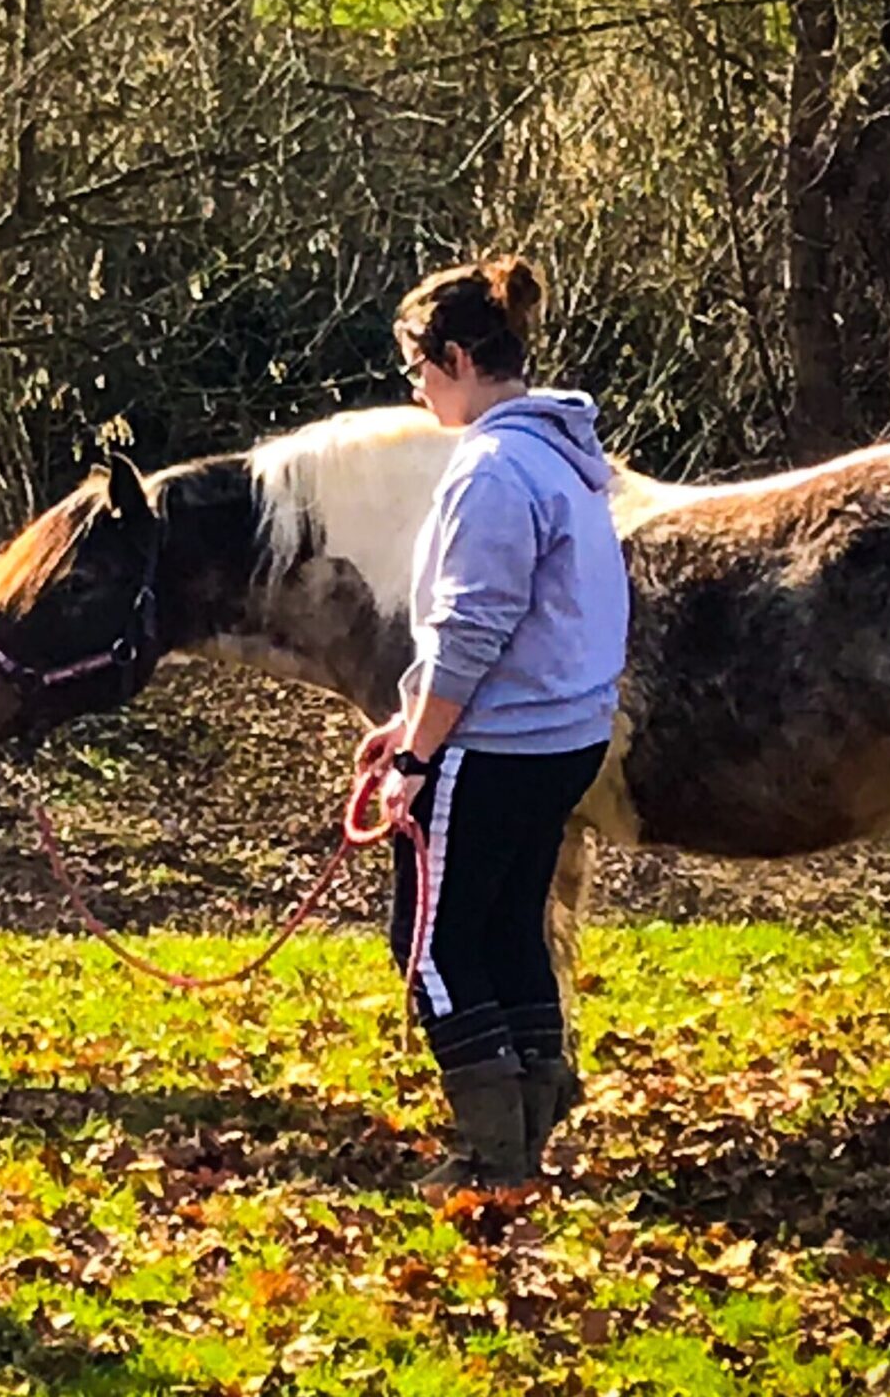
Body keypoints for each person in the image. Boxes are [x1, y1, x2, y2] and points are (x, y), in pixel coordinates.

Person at [353, 255, 629, 1190]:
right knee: (509, 925)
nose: (418, 390)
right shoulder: (561, 456)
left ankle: (492, 1151)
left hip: (496, 744)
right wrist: (404, 719)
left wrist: (418, 756)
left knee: (431, 945)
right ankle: (536, 1109)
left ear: (460, 358)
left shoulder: (494, 469)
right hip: (562, 736)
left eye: (420, 369)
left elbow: (472, 627)